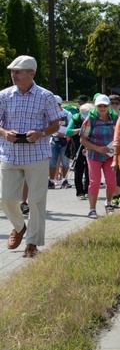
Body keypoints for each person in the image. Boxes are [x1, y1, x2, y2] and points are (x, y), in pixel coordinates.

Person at [0, 56, 62, 258]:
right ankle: (19, 227)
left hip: (37, 155)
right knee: (6, 199)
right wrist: (4, 133)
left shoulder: (46, 96)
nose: (13, 75)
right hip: (9, 153)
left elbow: (55, 124)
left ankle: (32, 243)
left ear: (31, 74)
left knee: (36, 201)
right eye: (12, 71)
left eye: (18, 71)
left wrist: (41, 133)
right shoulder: (4, 95)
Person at [80, 94, 119, 219]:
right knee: (94, 182)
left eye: (105, 106)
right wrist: (98, 148)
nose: (102, 108)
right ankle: (92, 209)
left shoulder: (115, 118)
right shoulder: (90, 120)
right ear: (95, 106)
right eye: (99, 106)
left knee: (112, 182)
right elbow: (83, 140)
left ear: (109, 106)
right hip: (94, 155)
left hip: (110, 156)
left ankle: (108, 203)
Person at [66, 102, 92, 199]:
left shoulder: (93, 118)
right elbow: (68, 131)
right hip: (77, 148)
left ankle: (88, 191)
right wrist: (79, 130)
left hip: (90, 148)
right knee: (78, 171)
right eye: (84, 112)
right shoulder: (75, 118)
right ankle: (80, 192)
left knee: (90, 171)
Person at [48, 95, 72, 189]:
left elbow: (71, 127)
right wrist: (54, 133)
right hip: (53, 139)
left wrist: (65, 134)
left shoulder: (67, 114)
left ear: (59, 104)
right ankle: (51, 181)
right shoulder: (49, 114)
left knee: (65, 162)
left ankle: (64, 180)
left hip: (64, 140)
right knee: (52, 162)